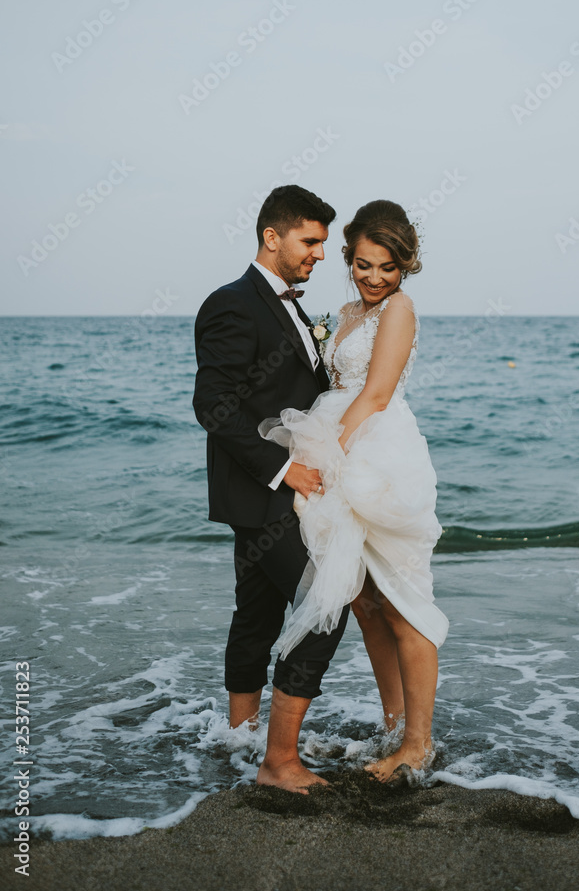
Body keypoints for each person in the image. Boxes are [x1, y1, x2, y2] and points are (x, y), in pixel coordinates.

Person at [260, 199, 449, 781]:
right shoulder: (342, 310)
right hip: (341, 439)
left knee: (403, 603)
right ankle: (394, 727)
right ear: (350, 258)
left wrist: (325, 455)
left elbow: (374, 395)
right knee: (365, 604)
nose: (373, 278)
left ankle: (418, 744)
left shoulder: (399, 310)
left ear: (405, 268)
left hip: (376, 454)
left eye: (387, 268)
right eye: (363, 265)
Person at [192, 184, 348, 794]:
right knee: (324, 606)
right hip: (263, 488)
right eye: (310, 242)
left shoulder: (288, 305)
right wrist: (284, 471)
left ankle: (241, 737)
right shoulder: (232, 303)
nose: (319, 255)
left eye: (322, 243)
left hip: (279, 491)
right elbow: (214, 405)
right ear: (271, 237)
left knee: (256, 611)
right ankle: (279, 762)